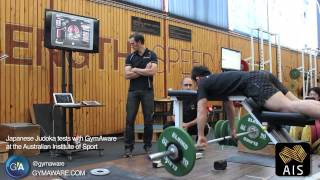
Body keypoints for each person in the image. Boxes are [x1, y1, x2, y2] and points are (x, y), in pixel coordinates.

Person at [191, 65, 320, 148]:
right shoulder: (218, 80)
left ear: (197, 78)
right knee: (297, 102)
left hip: (254, 82)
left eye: (193, 83)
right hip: (260, 75)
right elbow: (229, 107)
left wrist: (201, 135)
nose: (195, 86)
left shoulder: (203, 84)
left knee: (290, 106)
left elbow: (201, 110)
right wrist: (232, 129)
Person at [124, 33, 158, 157]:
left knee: (148, 120)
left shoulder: (151, 55)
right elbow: (127, 75)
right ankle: (128, 148)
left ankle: (148, 146)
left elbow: (153, 71)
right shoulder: (130, 57)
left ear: (139, 42)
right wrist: (144, 70)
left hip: (147, 91)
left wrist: (135, 69)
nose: (131, 45)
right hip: (133, 92)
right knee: (129, 120)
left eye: (132, 43)